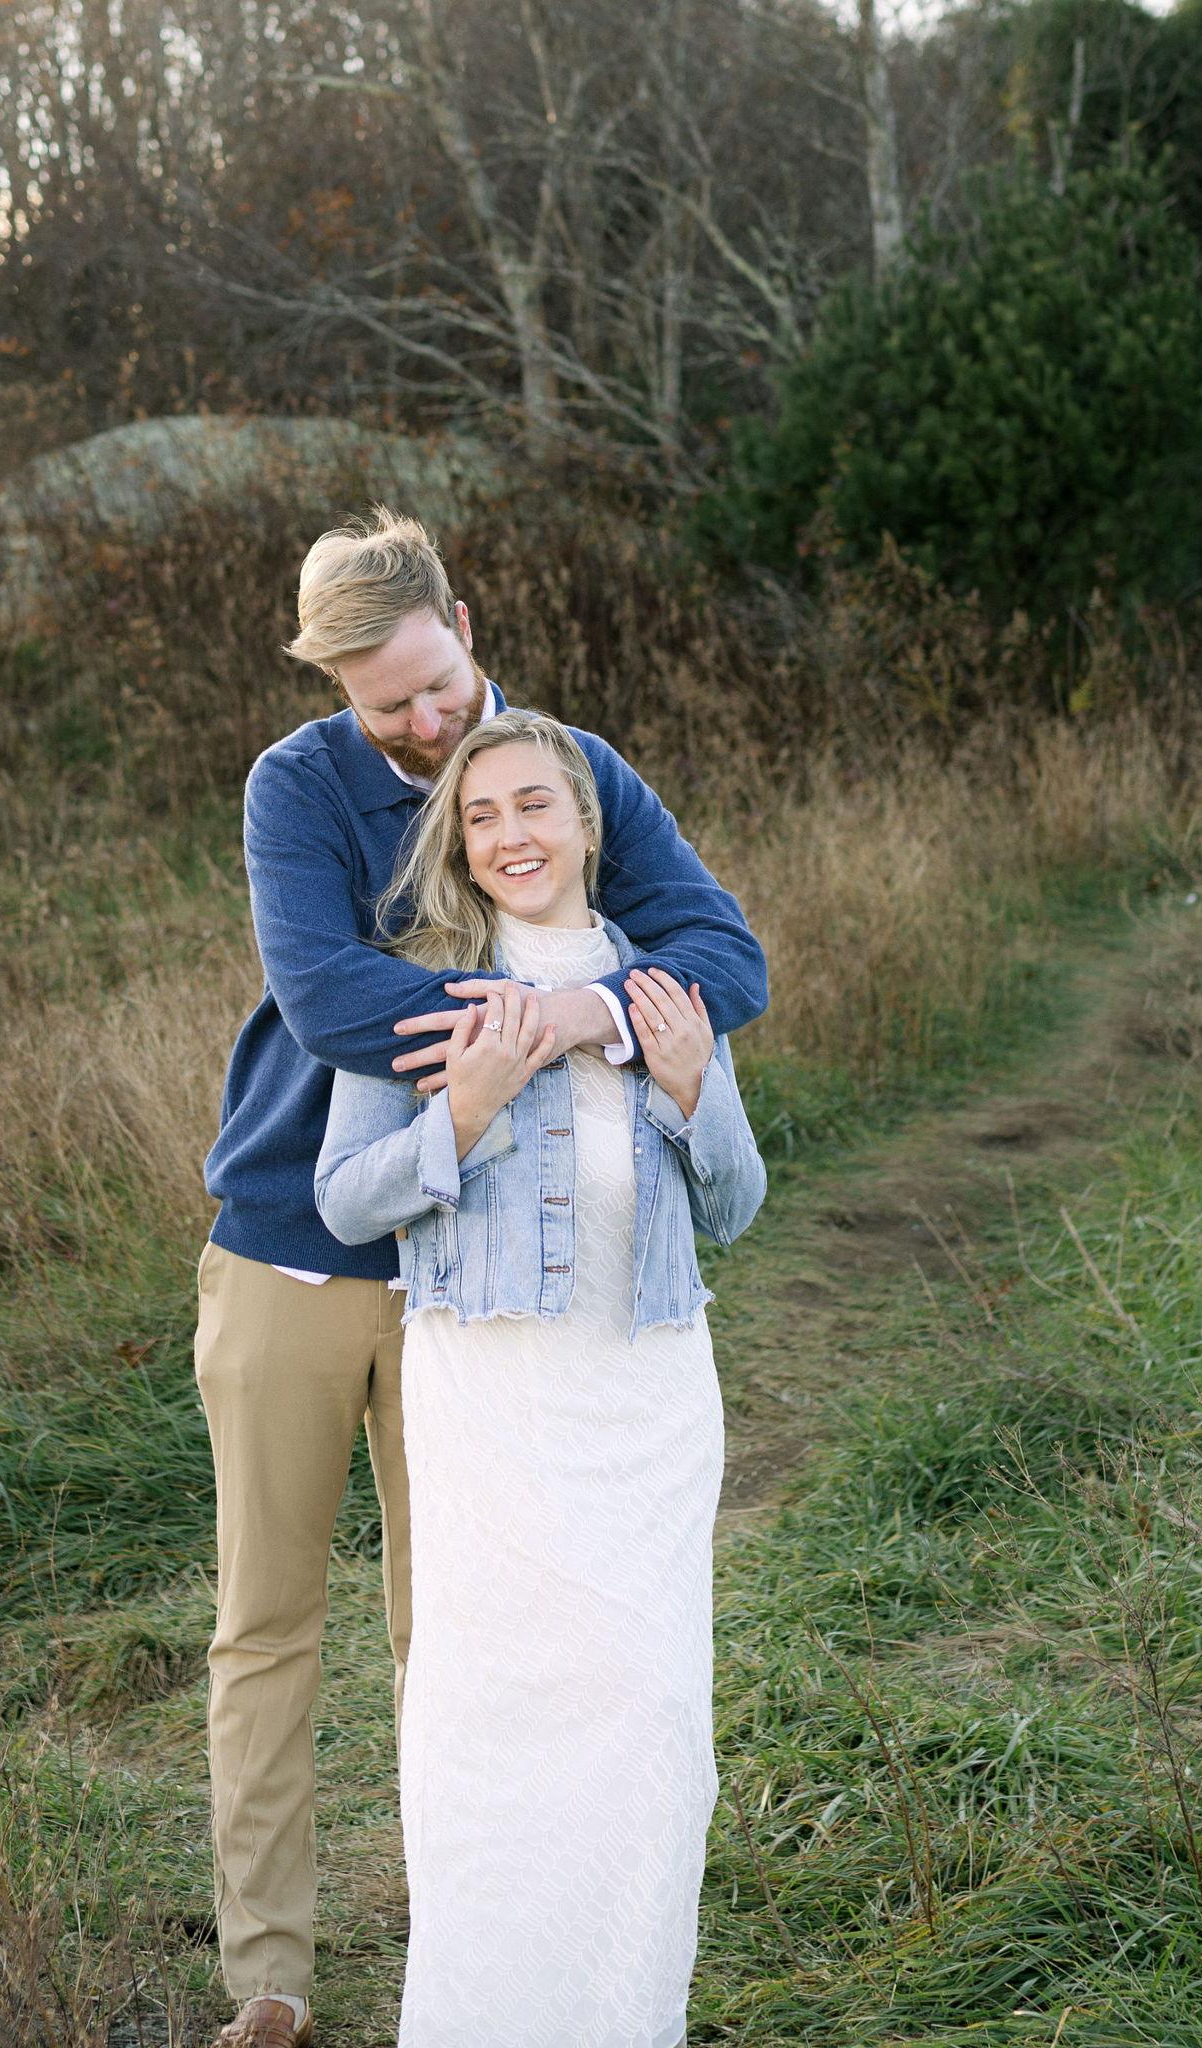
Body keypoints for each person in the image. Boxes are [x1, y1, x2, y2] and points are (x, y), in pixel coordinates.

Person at [195, 508, 767, 2048]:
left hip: (488, 1278)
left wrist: (586, 1015)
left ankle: (469, 1946)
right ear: (339, 692)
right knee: (270, 1616)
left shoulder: (561, 772)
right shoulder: (298, 786)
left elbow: (726, 958)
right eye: (388, 708)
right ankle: (273, 1973)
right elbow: (329, 1001)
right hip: (301, 1236)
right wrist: (520, 1022)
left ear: (466, 623)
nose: (428, 725)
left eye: (438, 686)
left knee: (459, 1632)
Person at [313, 709, 766, 2048]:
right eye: (482, 816)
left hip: (649, 1402)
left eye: (534, 807)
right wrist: (459, 1113)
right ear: (459, 845)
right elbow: (344, 1200)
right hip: (492, 1408)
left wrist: (689, 1090)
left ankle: (624, 2016)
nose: (511, 836)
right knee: (496, 1726)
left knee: (647, 1726)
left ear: (585, 824)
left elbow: (737, 1203)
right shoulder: (420, 991)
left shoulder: (668, 985)